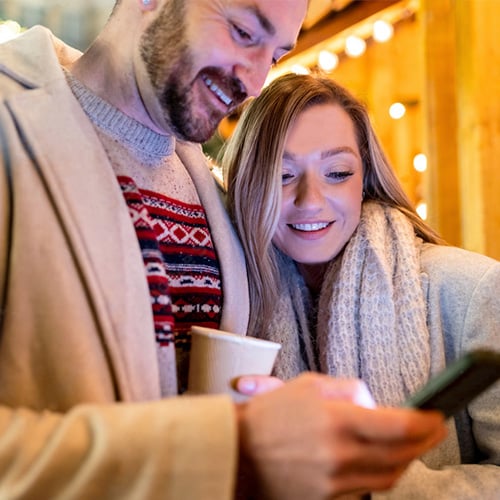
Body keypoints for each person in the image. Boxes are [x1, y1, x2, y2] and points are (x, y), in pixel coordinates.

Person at [0, 1, 447, 498]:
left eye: (275, 55)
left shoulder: (220, 199)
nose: (256, 83)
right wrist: (232, 451)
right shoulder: (10, 129)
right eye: (242, 31)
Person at [223, 72, 500, 498]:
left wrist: (366, 482)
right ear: (247, 184)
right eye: (282, 176)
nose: (310, 199)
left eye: (336, 172)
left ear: (364, 178)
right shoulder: (235, 303)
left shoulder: (472, 288)